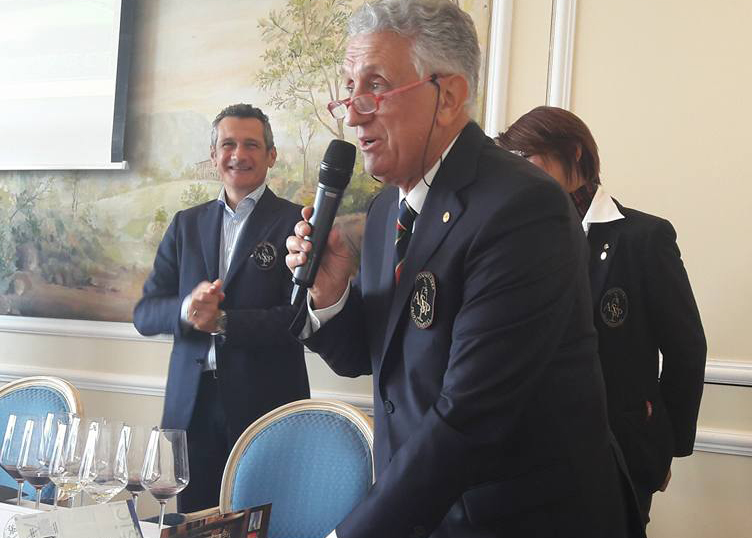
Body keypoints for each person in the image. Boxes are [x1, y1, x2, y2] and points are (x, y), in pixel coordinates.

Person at [284, 1, 643, 536]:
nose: (353, 113)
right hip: (427, 515)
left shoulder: (522, 207)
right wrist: (332, 296)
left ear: (447, 97)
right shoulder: (385, 212)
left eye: (375, 86)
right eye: (349, 88)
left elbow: (471, 416)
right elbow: (376, 362)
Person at [496, 105, 707, 525]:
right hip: (530, 456)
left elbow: (687, 349)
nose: (520, 171)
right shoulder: (517, 240)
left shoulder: (644, 238)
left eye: (528, 156)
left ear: (574, 153)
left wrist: (665, 447)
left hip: (622, 452)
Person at [133, 104, 309, 512]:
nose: (238, 155)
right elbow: (144, 313)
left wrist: (224, 321)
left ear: (271, 155)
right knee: (195, 522)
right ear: (214, 156)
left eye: (251, 145)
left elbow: (299, 319)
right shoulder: (185, 224)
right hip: (192, 408)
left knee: (262, 522)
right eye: (228, 144)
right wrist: (188, 310)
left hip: (264, 404)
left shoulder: (296, 224)